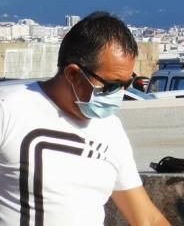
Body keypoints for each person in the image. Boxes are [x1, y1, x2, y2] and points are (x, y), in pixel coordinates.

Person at [0, 11, 169, 225]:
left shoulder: (111, 131)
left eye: (125, 84)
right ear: (72, 74)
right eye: (111, 85)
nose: (119, 94)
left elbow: (148, 219)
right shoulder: (9, 109)